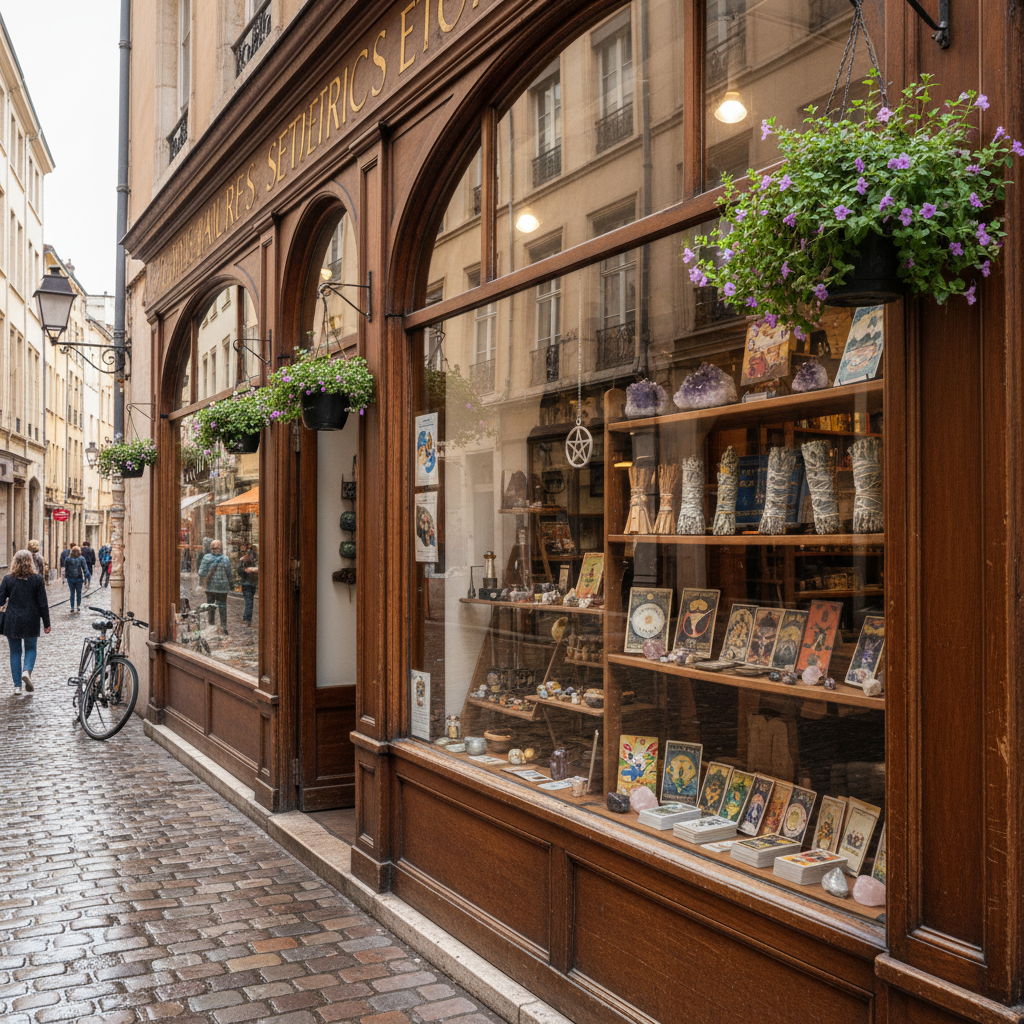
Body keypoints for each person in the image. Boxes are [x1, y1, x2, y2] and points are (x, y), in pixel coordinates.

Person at [0, 549, 51, 693]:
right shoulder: (37, 579)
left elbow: (0, 600)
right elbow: (43, 603)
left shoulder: (8, 579)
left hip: (12, 619)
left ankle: (17, 686)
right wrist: (47, 623)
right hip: (31, 618)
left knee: (15, 652)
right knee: (30, 648)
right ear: (30, 563)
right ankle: (26, 671)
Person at [197, 539, 231, 634]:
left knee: (211, 607)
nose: (215, 550)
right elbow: (229, 574)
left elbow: (201, 573)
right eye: (213, 548)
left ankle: (211, 626)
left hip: (210, 587)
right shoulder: (225, 559)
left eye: (216, 548)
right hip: (222, 587)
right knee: (222, 607)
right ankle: (223, 627)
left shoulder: (206, 558)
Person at [63, 545, 91, 613]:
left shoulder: (67, 559)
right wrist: (88, 577)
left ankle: (72, 607)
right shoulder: (81, 558)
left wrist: (65, 577)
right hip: (79, 578)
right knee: (79, 593)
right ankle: (78, 606)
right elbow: (85, 569)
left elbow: (66, 569)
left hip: (70, 578)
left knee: (72, 593)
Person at [239, 543, 258, 628]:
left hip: (249, 583)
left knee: (249, 601)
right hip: (248, 583)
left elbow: (239, 570)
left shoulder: (246, 558)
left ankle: (247, 619)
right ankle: (247, 619)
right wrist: (247, 571)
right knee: (249, 601)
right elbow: (240, 570)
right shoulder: (245, 558)